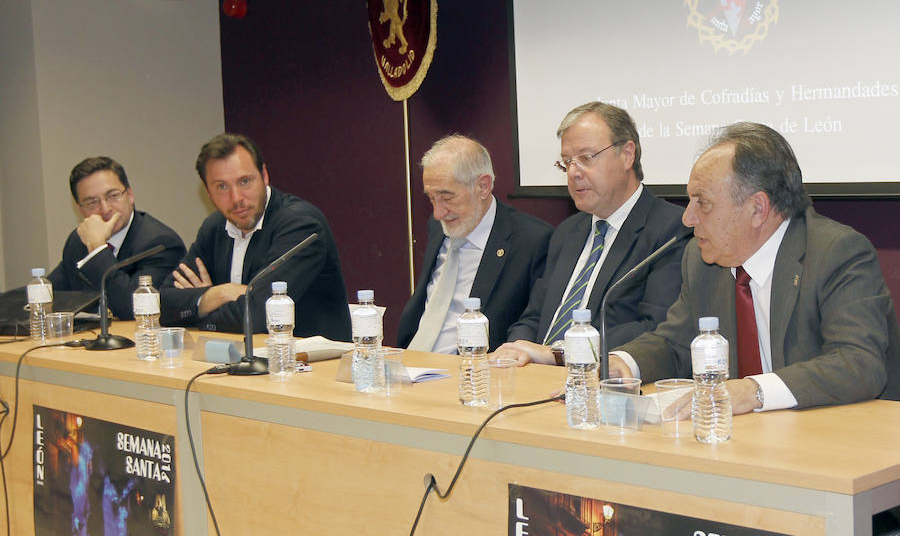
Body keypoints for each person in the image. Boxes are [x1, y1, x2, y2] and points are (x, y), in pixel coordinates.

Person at [609, 121, 900, 412]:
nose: (688, 218)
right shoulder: (702, 260)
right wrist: (624, 362)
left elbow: (858, 363)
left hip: (837, 427)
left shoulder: (835, 253)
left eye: (703, 202)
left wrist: (754, 391)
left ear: (757, 208)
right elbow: (677, 344)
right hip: (745, 432)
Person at [495, 102, 688, 365]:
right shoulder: (567, 232)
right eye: (567, 162)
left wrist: (559, 354)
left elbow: (654, 328)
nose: (573, 173)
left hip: (603, 377)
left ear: (627, 155)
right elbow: (535, 317)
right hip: (538, 375)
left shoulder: (671, 230)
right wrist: (515, 349)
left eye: (586, 158)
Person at [159, 133, 351, 340]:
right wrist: (219, 293)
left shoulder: (301, 224)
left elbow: (259, 315)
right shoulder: (214, 227)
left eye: (244, 181)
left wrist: (198, 310)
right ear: (207, 191)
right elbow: (164, 305)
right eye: (221, 186)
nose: (236, 198)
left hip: (306, 356)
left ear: (264, 176)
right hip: (240, 353)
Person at [396, 135, 552, 352]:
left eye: (447, 198)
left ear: (483, 186)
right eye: (431, 198)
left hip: (474, 365)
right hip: (411, 358)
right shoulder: (439, 226)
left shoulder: (531, 240)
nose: (438, 212)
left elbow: (533, 321)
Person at [47, 156, 185, 319]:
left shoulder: (161, 244)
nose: (105, 209)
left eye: (112, 196)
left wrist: (97, 249)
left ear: (130, 195)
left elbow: (134, 309)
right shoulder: (78, 241)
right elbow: (50, 294)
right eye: (92, 202)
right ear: (81, 210)